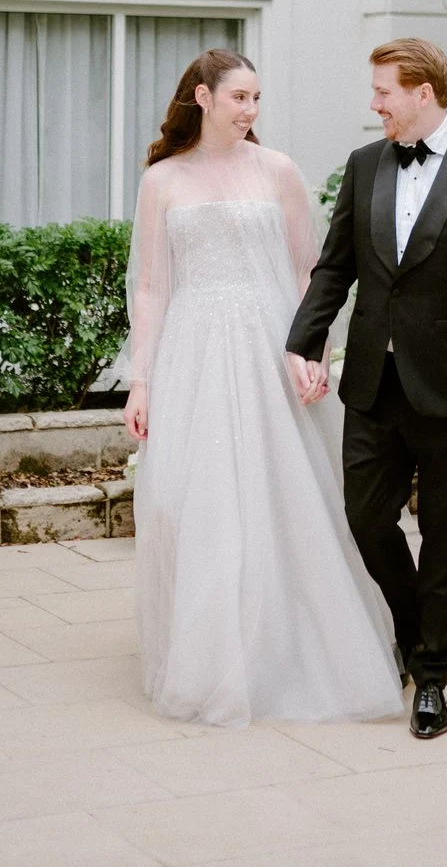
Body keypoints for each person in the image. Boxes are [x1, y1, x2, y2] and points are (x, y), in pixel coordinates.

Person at [123, 49, 401, 726]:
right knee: (196, 498)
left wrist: (312, 350)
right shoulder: (161, 180)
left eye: (257, 98)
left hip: (271, 346)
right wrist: (142, 379)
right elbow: (152, 285)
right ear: (203, 96)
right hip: (193, 352)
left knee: (291, 494)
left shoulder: (278, 170)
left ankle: (298, 644)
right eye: (240, 97)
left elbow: (311, 271)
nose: (251, 110)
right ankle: (215, 655)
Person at [286, 38, 447, 741]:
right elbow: (334, 268)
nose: (374, 103)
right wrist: (303, 340)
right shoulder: (365, 167)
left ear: (423, 92)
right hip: (374, 383)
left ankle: (430, 675)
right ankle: (412, 624)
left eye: (383, 91)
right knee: (365, 519)